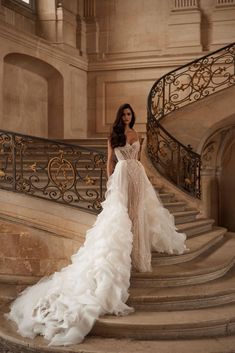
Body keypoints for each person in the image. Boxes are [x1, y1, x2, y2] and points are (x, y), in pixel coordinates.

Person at [5, 103, 187, 346]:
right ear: (119, 116)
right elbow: (110, 161)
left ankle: (138, 252)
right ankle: (127, 254)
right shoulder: (114, 136)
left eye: (129, 114)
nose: (126, 117)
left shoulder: (137, 135)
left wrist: (140, 177)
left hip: (137, 176)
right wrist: (111, 184)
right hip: (122, 175)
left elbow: (139, 159)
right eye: (123, 114)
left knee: (138, 213)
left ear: (132, 116)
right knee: (123, 215)